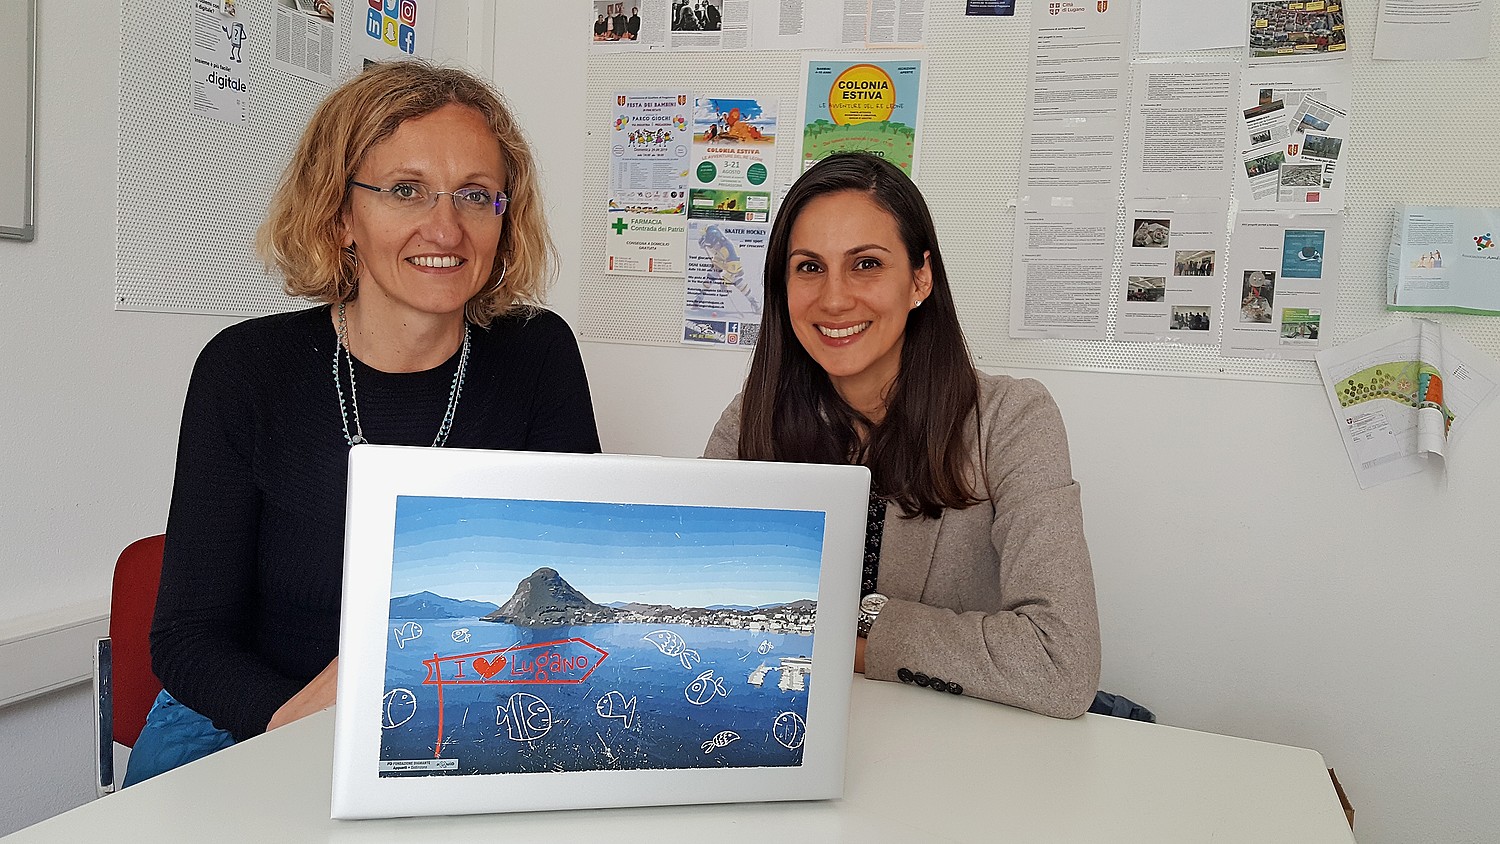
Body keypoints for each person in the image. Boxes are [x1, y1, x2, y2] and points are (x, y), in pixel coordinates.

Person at [129, 61, 601, 785]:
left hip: (454, 710)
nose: (445, 227)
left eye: (475, 195)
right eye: (406, 190)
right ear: (340, 215)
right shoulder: (246, 369)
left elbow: (572, 577)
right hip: (251, 720)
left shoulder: (540, 355)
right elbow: (187, 638)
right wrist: (303, 725)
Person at [702, 153, 1100, 718]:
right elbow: (704, 614)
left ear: (920, 279)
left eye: (865, 264)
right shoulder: (751, 419)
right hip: (794, 728)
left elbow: (1061, 663)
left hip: (953, 746)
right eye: (809, 267)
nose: (834, 298)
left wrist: (855, 640)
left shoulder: (1011, 420)